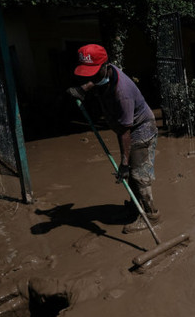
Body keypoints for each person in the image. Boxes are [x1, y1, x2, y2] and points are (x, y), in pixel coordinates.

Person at [67, 44, 160, 233]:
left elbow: (125, 133)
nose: (89, 77)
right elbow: (96, 79)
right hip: (125, 128)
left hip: (140, 129)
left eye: (93, 72)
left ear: (105, 66)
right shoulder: (105, 74)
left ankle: (152, 215)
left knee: (138, 175)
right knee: (131, 175)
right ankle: (135, 209)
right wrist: (83, 89)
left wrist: (124, 163)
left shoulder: (122, 92)